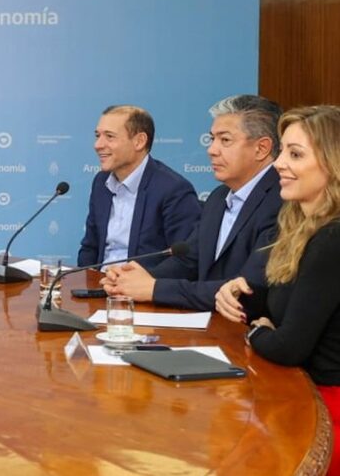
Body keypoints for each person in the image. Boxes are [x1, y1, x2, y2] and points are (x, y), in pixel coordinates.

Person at [214, 105, 340, 476]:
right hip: (302, 396)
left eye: (295, 154)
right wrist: (241, 296)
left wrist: (257, 331)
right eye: (283, 151)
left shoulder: (332, 238)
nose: (279, 164)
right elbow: (280, 309)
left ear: (333, 164)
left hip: (326, 412)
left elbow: (288, 346)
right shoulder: (301, 227)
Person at [103, 95, 282, 310]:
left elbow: (248, 290)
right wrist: (131, 279)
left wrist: (154, 288)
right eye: (212, 138)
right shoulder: (218, 197)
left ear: (261, 149)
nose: (212, 149)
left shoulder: (281, 202)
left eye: (225, 140)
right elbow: (188, 261)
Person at [77, 105, 201, 269]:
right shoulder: (101, 182)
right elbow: (90, 247)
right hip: (99, 286)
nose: (98, 145)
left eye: (109, 136)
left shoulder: (173, 189)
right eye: (97, 136)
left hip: (142, 290)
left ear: (139, 141)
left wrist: (135, 283)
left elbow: (184, 260)